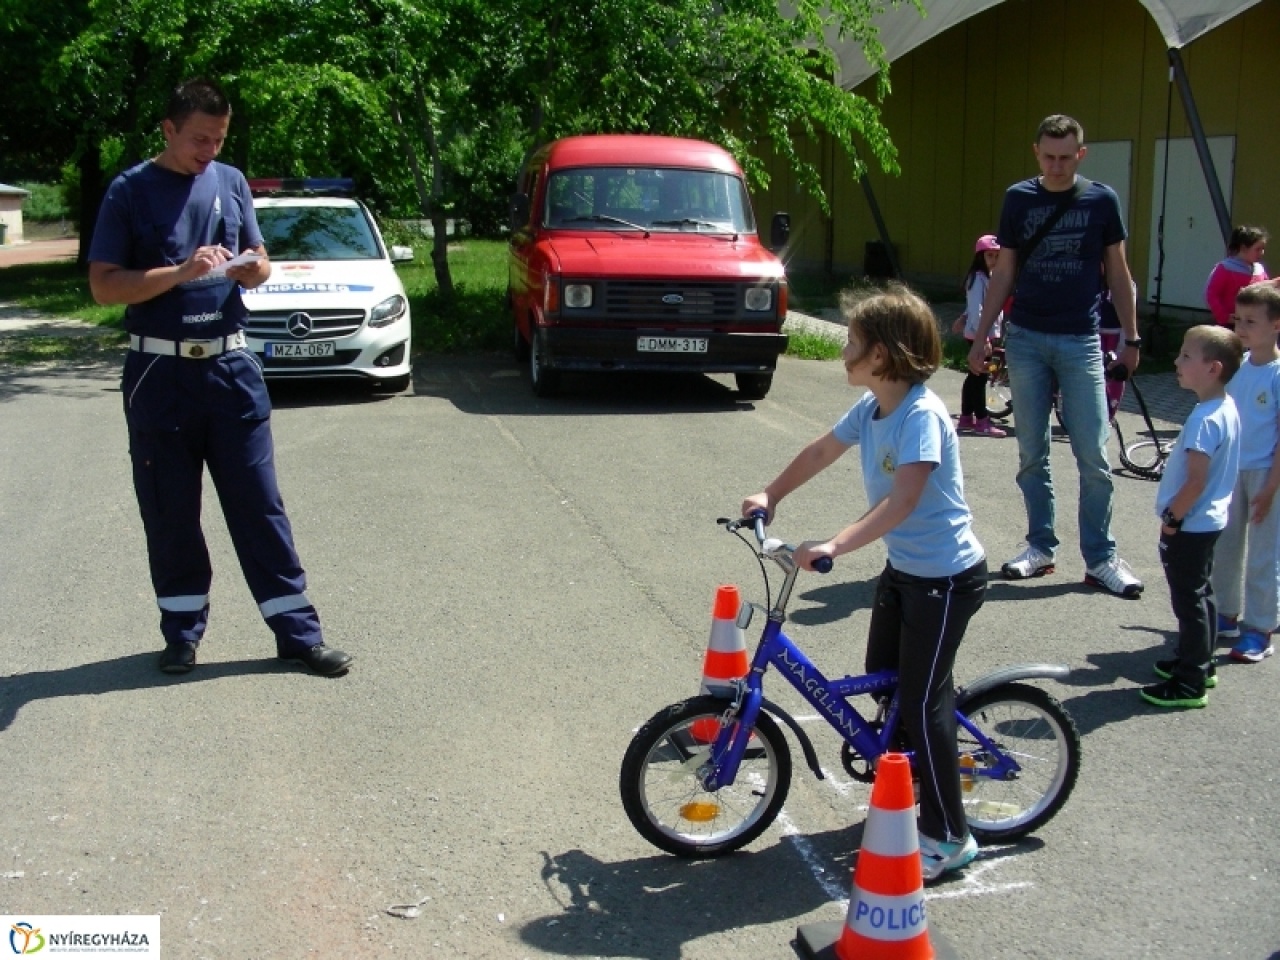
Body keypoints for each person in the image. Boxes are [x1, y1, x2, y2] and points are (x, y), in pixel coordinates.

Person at [88, 78, 352, 677]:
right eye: (200, 140)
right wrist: (179, 273)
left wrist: (255, 268)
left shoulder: (231, 183)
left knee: (260, 506)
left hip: (231, 369)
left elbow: (256, 260)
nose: (210, 150)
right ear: (169, 129)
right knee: (170, 509)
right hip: (160, 371)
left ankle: (298, 634)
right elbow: (104, 284)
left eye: (220, 139)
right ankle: (181, 631)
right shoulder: (129, 191)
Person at [743, 283, 987, 882]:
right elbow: (822, 450)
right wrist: (770, 494)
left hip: (948, 579)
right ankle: (903, 781)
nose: (844, 351)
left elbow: (903, 501)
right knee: (888, 679)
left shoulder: (922, 416)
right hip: (907, 573)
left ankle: (950, 836)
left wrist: (832, 544)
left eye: (853, 342)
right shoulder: (872, 408)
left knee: (922, 699)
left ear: (883, 354)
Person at [966, 114, 1144, 598]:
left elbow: (1119, 272)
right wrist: (982, 336)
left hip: (1082, 340)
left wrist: (1131, 338)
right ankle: (1040, 546)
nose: (1058, 165)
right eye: (1050, 156)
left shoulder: (1101, 200)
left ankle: (1102, 558)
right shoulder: (1018, 198)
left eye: (1067, 157)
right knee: (1031, 454)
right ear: (1036, 153)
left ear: (1081, 155)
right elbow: (1004, 272)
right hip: (1025, 338)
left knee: (1094, 455)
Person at [1144, 326, 1241, 708]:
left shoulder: (1205, 419)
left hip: (1191, 524)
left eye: (1186, 356)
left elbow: (1196, 481)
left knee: (1189, 601)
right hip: (1210, 521)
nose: (1176, 362)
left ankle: (1190, 682)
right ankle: (1199, 660)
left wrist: (1172, 517)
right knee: (1202, 594)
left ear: (1213, 368)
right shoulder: (1225, 408)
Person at [1210, 283, 1280, 664]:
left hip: (1267, 475)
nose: (1241, 327)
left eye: (1252, 321)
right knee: (1225, 546)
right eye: (1239, 319)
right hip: (1231, 472)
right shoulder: (1235, 369)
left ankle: (1260, 628)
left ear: (1276, 325)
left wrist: (1271, 487)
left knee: (1263, 556)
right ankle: (1225, 614)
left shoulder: (1276, 373)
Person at [953, 234, 1007, 437]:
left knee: (974, 375)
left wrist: (963, 317)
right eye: (989, 255)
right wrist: (982, 338)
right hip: (979, 335)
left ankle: (967, 416)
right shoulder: (978, 278)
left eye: (997, 255)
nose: (993, 259)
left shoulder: (987, 277)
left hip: (979, 333)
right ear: (980, 257)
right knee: (981, 377)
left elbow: (973, 308)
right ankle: (982, 420)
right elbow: (978, 309)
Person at [1205, 226, 1269, 327]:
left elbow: (1266, 291)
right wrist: (1224, 317)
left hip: (1253, 325)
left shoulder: (1259, 269)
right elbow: (1211, 294)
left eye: (1263, 249)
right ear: (1243, 248)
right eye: (1257, 249)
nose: (1262, 253)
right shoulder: (1225, 268)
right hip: (1230, 325)